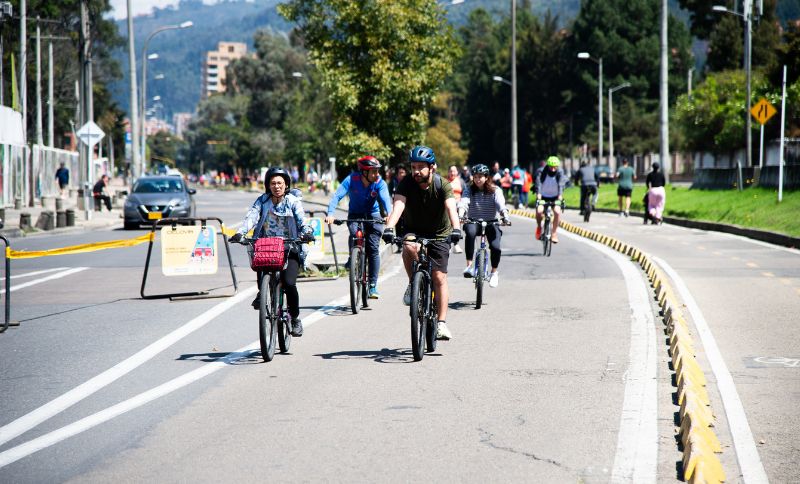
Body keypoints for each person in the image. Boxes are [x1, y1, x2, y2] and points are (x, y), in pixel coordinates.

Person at [382, 145, 461, 340]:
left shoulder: (442, 185)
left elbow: (451, 208)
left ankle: (441, 323)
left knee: (439, 277)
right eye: (413, 167)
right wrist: (389, 227)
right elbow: (398, 206)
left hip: (439, 233)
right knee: (408, 245)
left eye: (420, 167)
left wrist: (456, 228)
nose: (416, 171)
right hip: (414, 229)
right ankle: (413, 283)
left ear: (432, 167)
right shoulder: (406, 184)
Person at [230, 167, 314, 337]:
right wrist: (241, 233)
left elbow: (302, 221)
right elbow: (251, 218)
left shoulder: (293, 202)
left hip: (290, 247)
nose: (276, 186)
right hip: (267, 247)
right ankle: (262, 293)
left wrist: (306, 233)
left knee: (289, 283)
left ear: (286, 185)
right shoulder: (262, 201)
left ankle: (295, 318)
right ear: (268, 185)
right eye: (273, 183)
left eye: (280, 183)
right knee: (260, 264)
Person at [325, 156, 392, 299]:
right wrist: (330, 214)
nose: (377, 174)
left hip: (373, 215)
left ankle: (372, 285)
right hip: (355, 214)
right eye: (374, 171)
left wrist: (389, 215)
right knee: (355, 233)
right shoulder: (351, 179)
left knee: (373, 249)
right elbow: (337, 196)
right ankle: (353, 256)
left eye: (377, 171)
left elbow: (386, 200)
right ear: (364, 172)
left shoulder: (379, 182)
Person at [459, 164, 509, 288]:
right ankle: (469, 266)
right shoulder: (469, 189)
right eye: (475, 177)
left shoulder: (495, 190)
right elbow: (464, 202)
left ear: (486, 177)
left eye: (480, 177)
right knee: (470, 232)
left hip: (491, 222)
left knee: (496, 247)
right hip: (474, 221)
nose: (477, 179)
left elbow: (500, 203)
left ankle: (494, 272)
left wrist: (504, 215)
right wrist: (461, 214)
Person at [534, 156, 566, 243]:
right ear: (548, 166)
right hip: (543, 196)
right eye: (551, 167)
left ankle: (554, 233)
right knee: (539, 211)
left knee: (557, 212)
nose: (553, 169)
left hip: (555, 196)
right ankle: (539, 227)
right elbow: (538, 183)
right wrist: (538, 194)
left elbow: (561, 184)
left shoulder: (560, 172)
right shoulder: (541, 171)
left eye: (555, 167)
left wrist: (560, 196)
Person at [447, 165, 464, 254]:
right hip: (448, 207)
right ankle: (448, 244)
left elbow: (465, 194)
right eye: (451, 171)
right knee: (448, 225)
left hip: (458, 206)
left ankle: (456, 244)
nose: (452, 173)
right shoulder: (445, 181)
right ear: (448, 172)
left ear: (457, 172)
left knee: (456, 225)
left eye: (454, 171)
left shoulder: (461, 181)